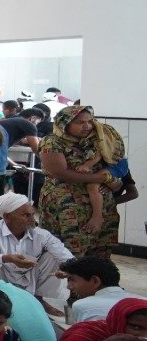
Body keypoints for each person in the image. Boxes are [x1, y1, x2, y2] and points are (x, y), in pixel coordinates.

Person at [39, 105, 130, 258]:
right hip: (67, 206)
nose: (87, 126)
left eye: (89, 121)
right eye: (80, 122)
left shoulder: (98, 139)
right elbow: (61, 173)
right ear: (65, 123)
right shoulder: (52, 142)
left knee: (101, 253)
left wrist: (111, 183)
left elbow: (115, 166)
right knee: (69, 255)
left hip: (102, 207)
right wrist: (101, 178)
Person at [0, 191, 71, 309]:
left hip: (31, 283)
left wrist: (68, 269)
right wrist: (8, 258)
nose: (33, 220)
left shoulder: (40, 234)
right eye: (26, 215)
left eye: (32, 214)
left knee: (52, 258)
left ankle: (44, 303)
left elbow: (64, 254)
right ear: (7, 217)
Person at [62, 256, 131, 323]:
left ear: (95, 281)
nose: (69, 287)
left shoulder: (83, 306)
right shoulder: (136, 300)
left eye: (72, 280)